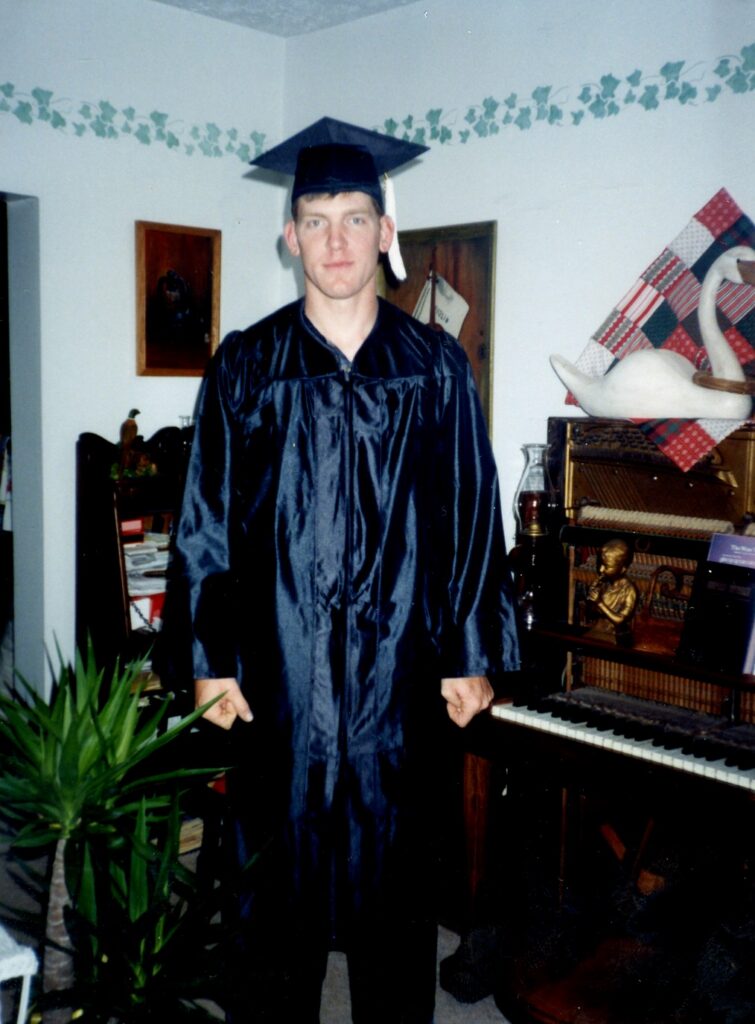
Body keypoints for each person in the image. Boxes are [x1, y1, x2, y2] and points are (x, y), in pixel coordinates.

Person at [173, 116, 520, 1023]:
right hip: (277, 685)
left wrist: (473, 650)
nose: (336, 240)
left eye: (355, 218)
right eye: (317, 219)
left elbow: (473, 516)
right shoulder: (247, 367)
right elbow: (204, 520)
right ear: (288, 235)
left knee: (395, 914)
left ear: (385, 233)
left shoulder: (436, 369)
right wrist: (209, 660)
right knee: (270, 914)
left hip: (396, 691)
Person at [586, 537, 637, 644]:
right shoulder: (604, 583)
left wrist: (599, 602)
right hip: (598, 630)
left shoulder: (629, 590)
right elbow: (591, 613)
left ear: (623, 568)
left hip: (616, 635)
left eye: (607, 566)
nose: (601, 570)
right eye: (601, 564)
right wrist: (591, 601)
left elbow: (620, 620)